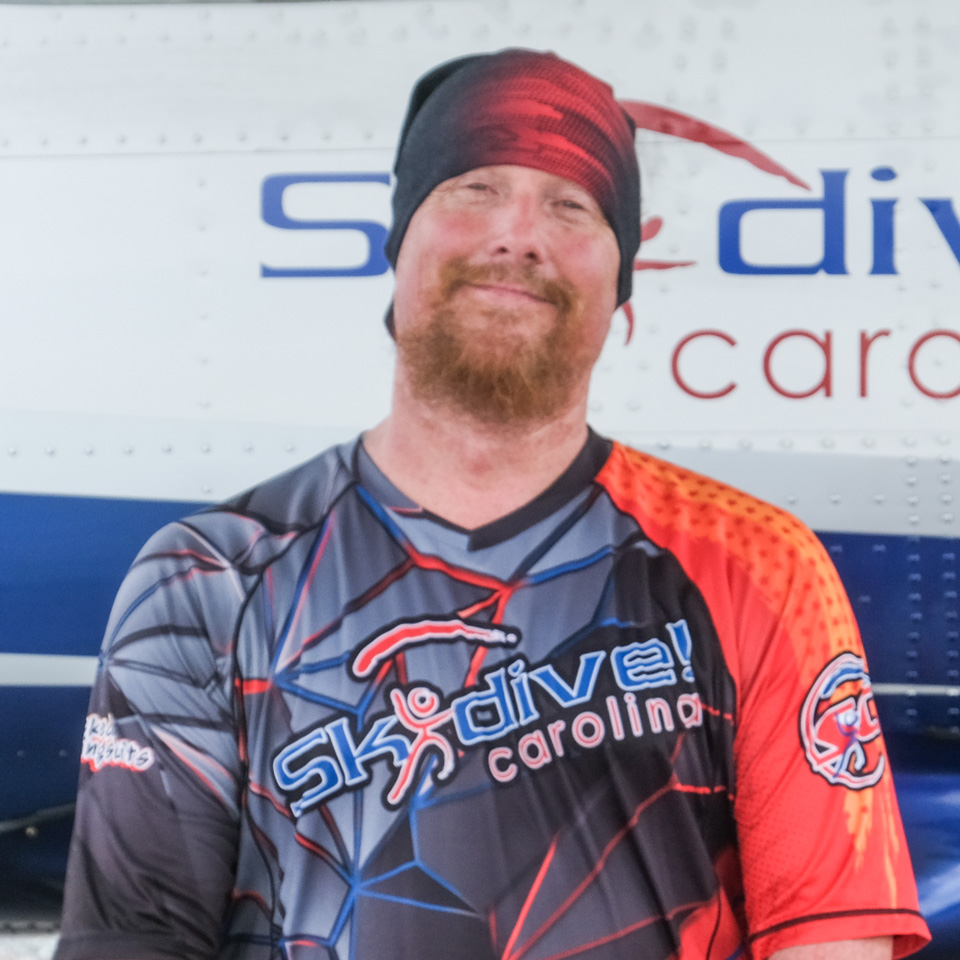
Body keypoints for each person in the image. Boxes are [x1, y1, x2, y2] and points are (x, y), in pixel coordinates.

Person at [55, 49, 930, 960]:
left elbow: (830, 942)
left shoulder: (757, 566)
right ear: (400, 243)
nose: (519, 233)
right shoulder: (208, 578)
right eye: (474, 187)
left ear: (621, 279)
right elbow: (130, 943)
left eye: (571, 205)